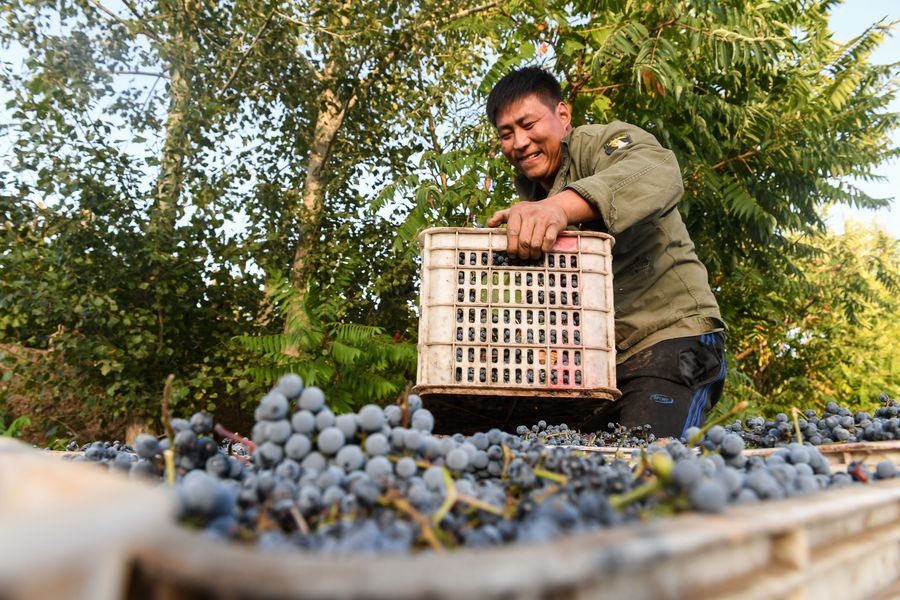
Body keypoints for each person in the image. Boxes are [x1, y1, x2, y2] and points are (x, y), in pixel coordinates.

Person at [485, 66, 726, 438]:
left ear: (562, 115)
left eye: (528, 124)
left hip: (677, 342)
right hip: (602, 369)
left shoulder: (603, 144)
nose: (519, 142)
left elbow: (656, 172)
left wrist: (559, 209)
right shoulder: (532, 196)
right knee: (568, 461)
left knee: (644, 469)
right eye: (506, 134)